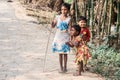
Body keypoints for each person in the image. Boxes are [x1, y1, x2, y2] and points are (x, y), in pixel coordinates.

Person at [51, 3, 71, 73]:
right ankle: (61, 67)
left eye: (65, 9)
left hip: (65, 37)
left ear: (68, 10)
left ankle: (65, 66)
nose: (63, 11)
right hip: (58, 37)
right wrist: (52, 23)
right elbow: (53, 26)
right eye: (62, 9)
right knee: (60, 53)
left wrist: (67, 31)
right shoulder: (57, 17)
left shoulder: (69, 19)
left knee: (65, 53)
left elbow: (70, 29)